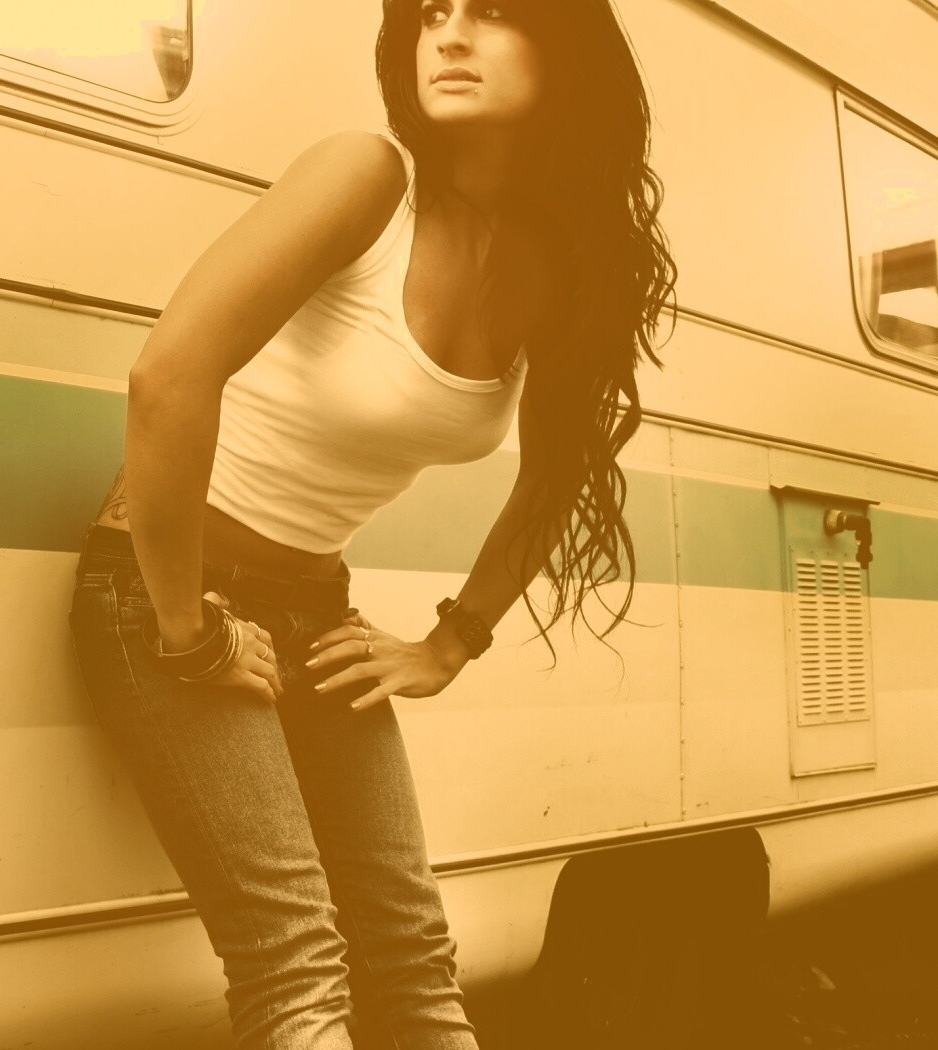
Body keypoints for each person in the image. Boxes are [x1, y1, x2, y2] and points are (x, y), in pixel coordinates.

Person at [67, 0, 677, 1046]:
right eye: (431, 12)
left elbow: (558, 477)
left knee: (412, 959)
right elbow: (168, 378)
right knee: (296, 966)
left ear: (563, 48)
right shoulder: (366, 177)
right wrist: (187, 629)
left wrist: (452, 640)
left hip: (314, 609)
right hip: (162, 589)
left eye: (490, 13)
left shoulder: (554, 263)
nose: (449, 35)